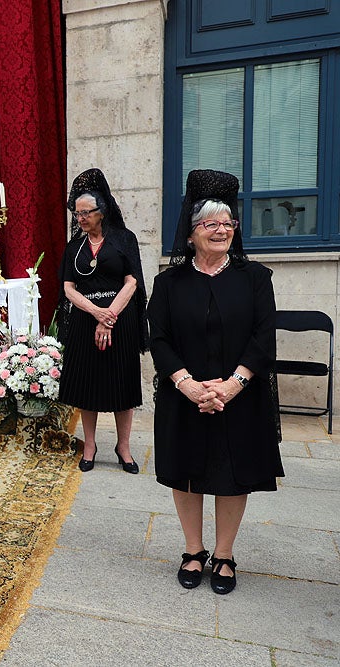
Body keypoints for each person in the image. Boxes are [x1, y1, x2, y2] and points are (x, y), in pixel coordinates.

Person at [148, 169, 282, 595]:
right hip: (183, 396)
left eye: (228, 223)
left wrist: (230, 386)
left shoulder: (256, 278)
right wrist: (187, 385)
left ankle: (224, 554)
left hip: (239, 398)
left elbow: (264, 338)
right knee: (185, 472)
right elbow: (159, 338)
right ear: (191, 233)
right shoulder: (168, 282)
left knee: (231, 473)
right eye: (211, 224)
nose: (222, 230)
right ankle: (193, 550)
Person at [55, 168, 147, 474]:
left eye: (86, 213)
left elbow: (132, 281)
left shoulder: (124, 239)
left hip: (121, 319)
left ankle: (124, 446)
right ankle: (90, 444)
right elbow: (68, 288)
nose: (80, 218)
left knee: (122, 383)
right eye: (77, 213)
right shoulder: (74, 247)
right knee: (88, 384)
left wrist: (109, 318)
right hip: (86, 319)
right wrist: (96, 313)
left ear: (102, 210)